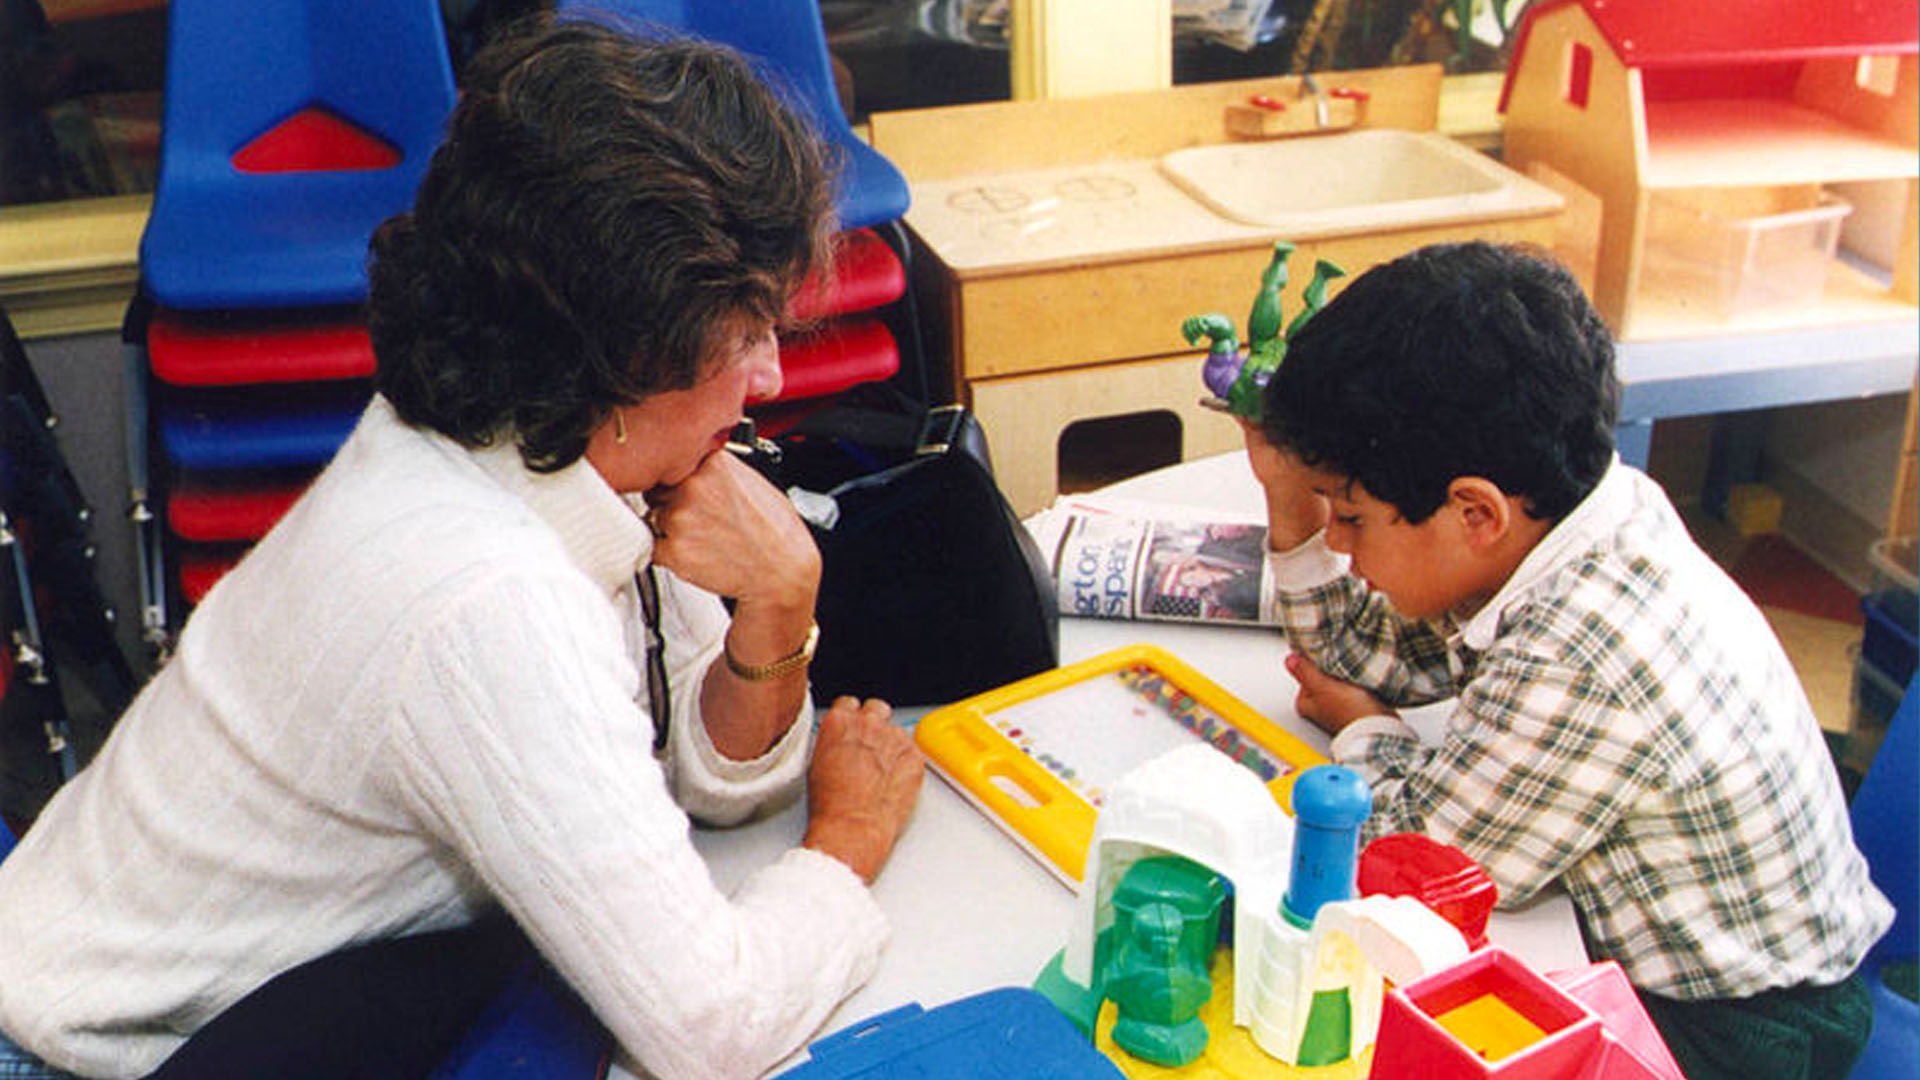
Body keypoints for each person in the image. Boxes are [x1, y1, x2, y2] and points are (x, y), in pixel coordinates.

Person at [0, 17, 924, 1080]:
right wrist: (846, 844)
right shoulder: (484, 593)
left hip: (257, 1002)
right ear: (631, 344)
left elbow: (709, 787)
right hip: (71, 1057)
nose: (768, 379)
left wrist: (778, 601)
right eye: (747, 330)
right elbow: (709, 1030)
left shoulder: (526, 439)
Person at [1240, 241, 1892, 1079]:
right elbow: (1374, 651)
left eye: (1350, 517)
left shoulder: (1584, 646)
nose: (1335, 539)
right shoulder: (1575, 516)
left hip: (1741, 1031)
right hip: (1733, 973)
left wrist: (1367, 732)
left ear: (1474, 512)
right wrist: (1290, 500)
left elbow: (1413, 860)